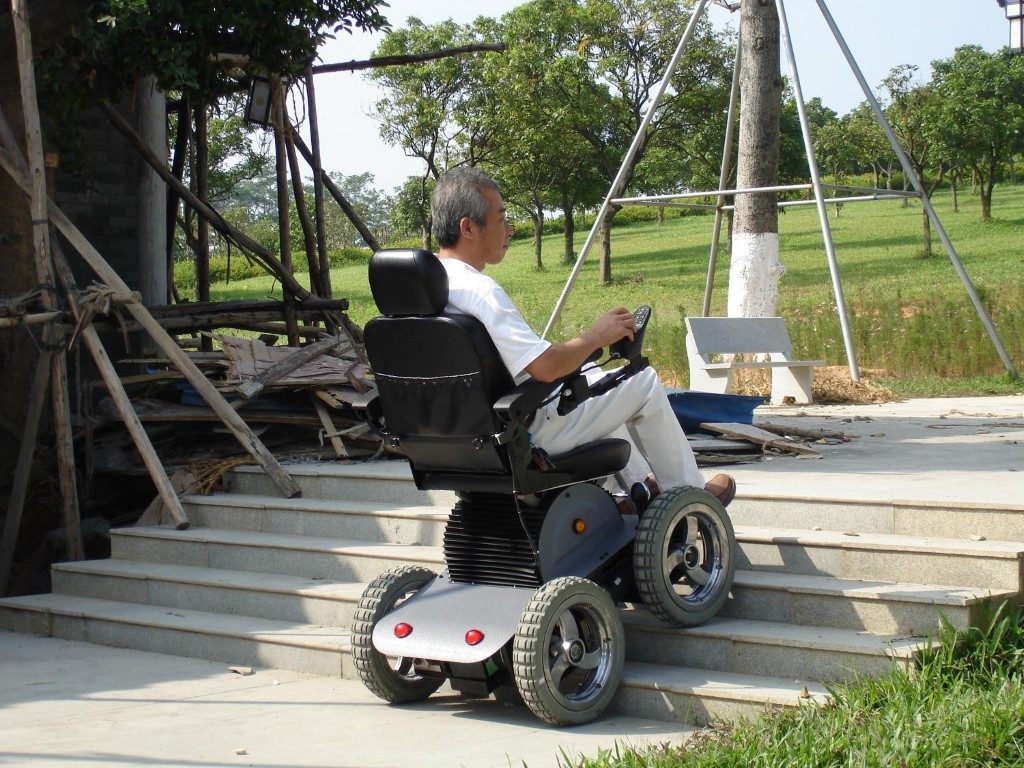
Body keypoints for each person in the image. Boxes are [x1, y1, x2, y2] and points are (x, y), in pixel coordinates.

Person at [431, 167, 735, 508]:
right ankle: (692, 501)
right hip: (521, 433)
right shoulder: (480, 291)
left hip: (455, 438)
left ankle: (636, 489)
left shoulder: (427, 290)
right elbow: (545, 367)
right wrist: (595, 337)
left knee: (593, 378)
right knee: (643, 383)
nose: (509, 230)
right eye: (501, 218)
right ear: (468, 227)